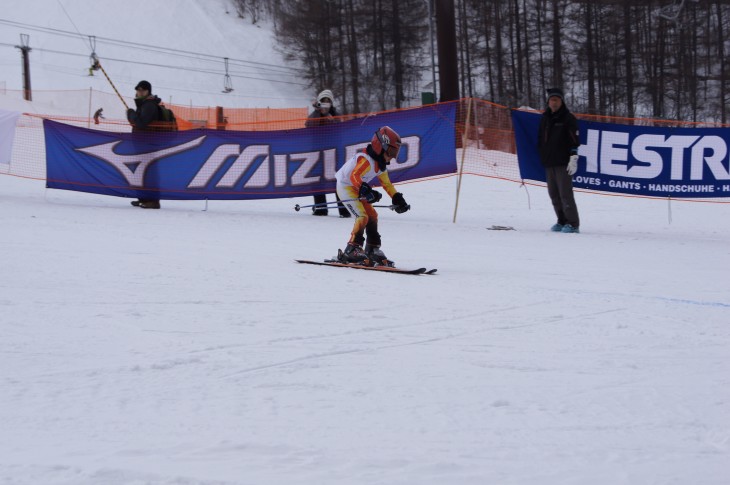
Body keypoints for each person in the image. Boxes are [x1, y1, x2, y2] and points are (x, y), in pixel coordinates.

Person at [335, 126, 410, 265]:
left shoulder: (380, 165)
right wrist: (366, 190)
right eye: (391, 151)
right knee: (362, 216)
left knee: (373, 215)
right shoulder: (366, 160)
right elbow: (354, 176)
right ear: (380, 146)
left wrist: (397, 198)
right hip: (345, 186)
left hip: (358, 188)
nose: (393, 156)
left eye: (395, 152)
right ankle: (352, 248)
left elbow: (387, 184)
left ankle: (372, 248)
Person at [538, 88, 581, 233]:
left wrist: (573, 156)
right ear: (548, 102)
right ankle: (561, 220)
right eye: (551, 100)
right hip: (549, 162)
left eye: (556, 100)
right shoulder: (545, 118)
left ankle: (573, 224)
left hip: (564, 162)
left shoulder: (568, 118)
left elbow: (574, 139)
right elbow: (540, 139)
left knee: (565, 194)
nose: (554, 102)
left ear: (561, 101)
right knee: (554, 194)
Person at [305, 89, 350, 218]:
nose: (325, 104)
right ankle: (320, 208)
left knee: (339, 180)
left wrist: (330, 118)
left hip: (334, 152)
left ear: (331, 103)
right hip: (317, 152)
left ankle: (343, 209)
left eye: (328, 102)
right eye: (323, 102)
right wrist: (319, 113)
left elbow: (341, 128)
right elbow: (308, 125)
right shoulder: (314, 114)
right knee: (317, 180)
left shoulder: (336, 115)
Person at [126, 80, 168, 209]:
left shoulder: (149, 105)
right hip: (143, 143)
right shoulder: (144, 104)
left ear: (148, 91)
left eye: (142, 90)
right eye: (138, 90)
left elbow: (141, 123)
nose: (139, 92)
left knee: (149, 172)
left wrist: (131, 114)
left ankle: (153, 200)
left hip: (148, 144)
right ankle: (144, 198)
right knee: (142, 171)